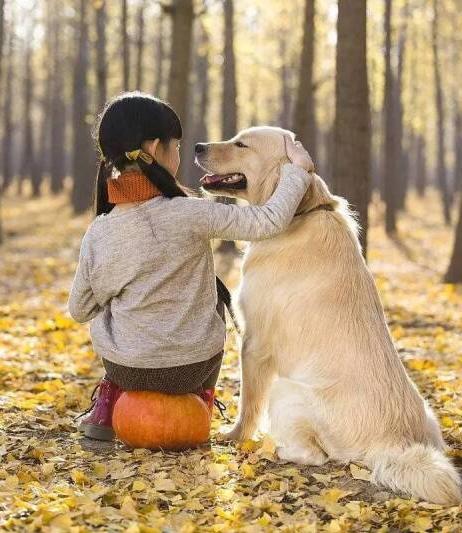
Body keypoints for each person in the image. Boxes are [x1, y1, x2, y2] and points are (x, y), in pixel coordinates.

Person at [68, 92, 314, 441]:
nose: (181, 154)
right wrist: (297, 172)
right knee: (215, 293)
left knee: (112, 309)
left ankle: (110, 400)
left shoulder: (98, 232)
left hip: (129, 369)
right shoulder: (189, 213)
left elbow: (79, 310)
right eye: (177, 145)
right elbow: (267, 221)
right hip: (191, 369)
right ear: (155, 149)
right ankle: (203, 400)